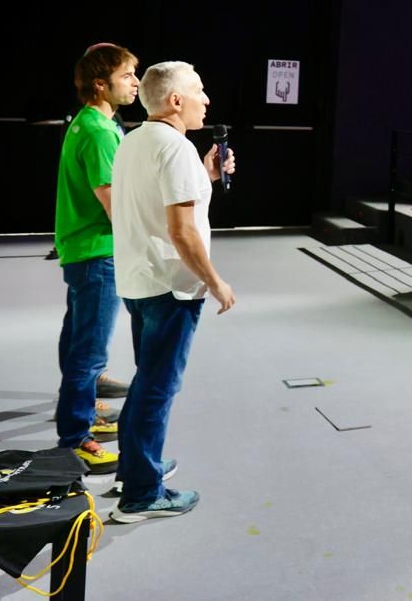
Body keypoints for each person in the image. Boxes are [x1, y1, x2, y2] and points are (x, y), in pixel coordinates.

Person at [109, 61, 236, 522]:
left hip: (140, 280)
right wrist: (214, 279)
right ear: (176, 100)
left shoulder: (133, 141)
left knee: (147, 381)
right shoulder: (175, 149)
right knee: (158, 387)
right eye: (199, 91)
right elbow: (182, 232)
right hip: (172, 286)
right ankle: (142, 494)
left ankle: (134, 467)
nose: (207, 99)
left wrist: (205, 173)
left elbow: (155, 204)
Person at [53, 43, 140, 474]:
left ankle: (83, 412)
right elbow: (115, 207)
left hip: (82, 250)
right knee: (87, 350)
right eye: (127, 76)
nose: (136, 83)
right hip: (98, 253)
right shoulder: (101, 132)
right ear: (100, 85)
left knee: (77, 340)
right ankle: (74, 436)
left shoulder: (88, 123)